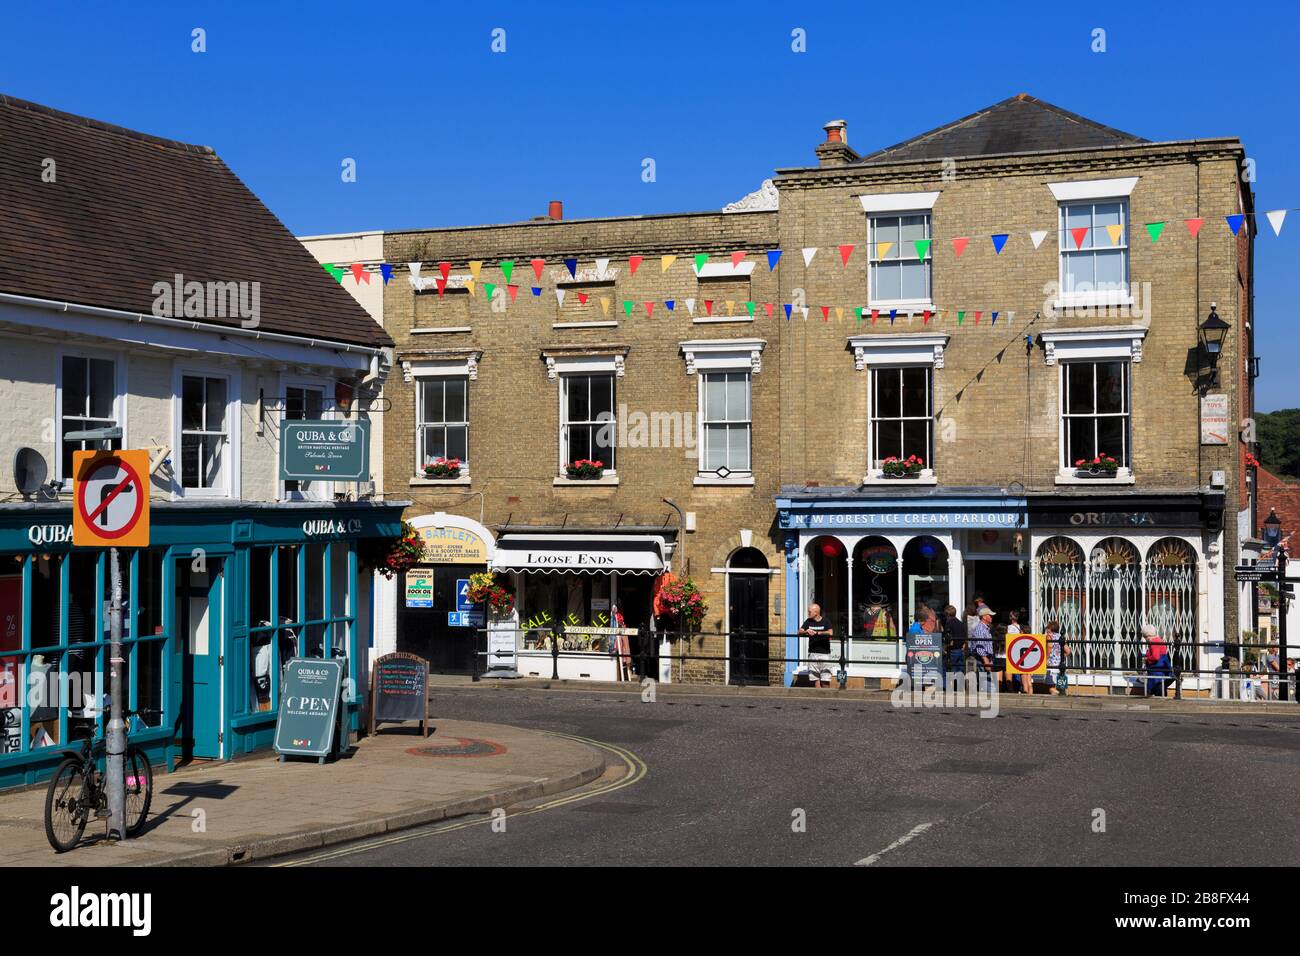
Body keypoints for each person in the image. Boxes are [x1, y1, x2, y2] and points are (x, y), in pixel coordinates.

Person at [799, 603, 834, 689]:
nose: (808, 613)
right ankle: (818, 697)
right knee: (815, 678)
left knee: (826, 679)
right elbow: (799, 632)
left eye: (810, 612)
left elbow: (830, 632)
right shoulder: (808, 621)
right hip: (813, 653)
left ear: (816, 612)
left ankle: (826, 697)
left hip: (824, 653)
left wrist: (819, 633)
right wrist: (806, 631)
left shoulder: (826, 621)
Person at [1141, 624, 1173, 697]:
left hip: (1157, 671)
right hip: (1161, 669)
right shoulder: (1159, 640)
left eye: (1145, 637)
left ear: (1148, 636)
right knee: (1160, 689)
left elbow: (1155, 657)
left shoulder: (1154, 642)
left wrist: (1146, 658)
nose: (1145, 639)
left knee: (1158, 690)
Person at [1006, 610, 1032, 695]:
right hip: (1019, 651)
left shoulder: (1008, 628)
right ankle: (1025, 689)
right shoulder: (1020, 628)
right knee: (1022, 671)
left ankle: (1011, 689)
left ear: (1010, 617)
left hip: (1010, 651)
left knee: (1010, 669)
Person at [942, 605, 967, 675]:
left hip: (953, 651)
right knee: (960, 672)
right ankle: (960, 685)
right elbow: (965, 639)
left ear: (947, 614)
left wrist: (945, 649)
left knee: (949, 671)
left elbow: (950, 641)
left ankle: (950, 686)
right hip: (961, 651)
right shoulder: (961, 623)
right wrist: (963, 648)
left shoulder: (948, 624)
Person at [970, 606, 995, 674]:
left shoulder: (985, 628)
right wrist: (985, 660)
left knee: (987, 680)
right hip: (982, 658)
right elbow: (980, 647)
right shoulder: (980, 629)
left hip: (986, 657)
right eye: (990, 616)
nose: (991, 617)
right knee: (984, 680)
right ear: (984, 617)